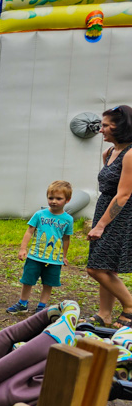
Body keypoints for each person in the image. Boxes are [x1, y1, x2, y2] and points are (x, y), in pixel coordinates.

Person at [86, 105, 132, 328]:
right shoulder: (108, 153)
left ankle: (130, 306)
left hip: (121, 214)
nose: (101, 130)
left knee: (95, 268)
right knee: (105, 266)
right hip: (104, 207)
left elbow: (123, 194)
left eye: (105, 126)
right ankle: (105, 314)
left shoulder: (131, 153)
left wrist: (101, 225)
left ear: (120, 127)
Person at [7, 181, 74, 314]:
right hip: (35, 256)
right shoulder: (39, 214)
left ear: (67, 200)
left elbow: (66, 238)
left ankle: (41, 308)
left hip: (54, 259)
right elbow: (29, 231)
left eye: (58, 198)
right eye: (51, 198)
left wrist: (64, 256)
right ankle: (22, 303)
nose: (54, 201)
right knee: (28, 280)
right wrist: (23, 248)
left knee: (48, 283)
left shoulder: (68, 219)